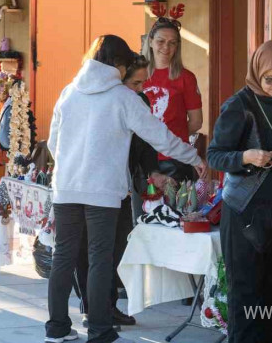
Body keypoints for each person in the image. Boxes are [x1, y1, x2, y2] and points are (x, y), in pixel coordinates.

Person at [46, 35, 206, 343]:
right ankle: (100, 330)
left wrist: (71, 169)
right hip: (103, 192)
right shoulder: (123, 97)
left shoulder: (68, 92)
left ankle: (56, 330)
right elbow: (159, 136)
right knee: (100, 259)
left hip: (65, 188)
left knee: (63, 257)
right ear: (118, 65)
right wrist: (192, 156)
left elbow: (55, 142)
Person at [206, 40, 272, 343]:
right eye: (270, 79)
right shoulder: (239, 105)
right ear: (257, 72)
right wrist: (245, 157)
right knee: (246, 292)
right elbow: (214, 155)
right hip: (245, 211)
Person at [73, 55, 165, 331]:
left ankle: (108, 305)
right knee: (88, 250)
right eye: (136, 82)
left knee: (117, 248)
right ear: (118, 78)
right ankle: (92, 308)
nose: (140, 89)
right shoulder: (93, 98)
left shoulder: (140, 101)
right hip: (88, 184)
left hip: (122, 185)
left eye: (143, 83)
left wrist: (153, 171)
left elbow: (147, 141)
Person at [142, 18, 203, 181]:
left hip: (175, 159)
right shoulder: (137, 76)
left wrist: (172, 139)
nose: (166, 47)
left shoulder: (186, 78)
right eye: (161, 41)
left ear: (177, 46)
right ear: (150, 42)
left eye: (172, 43)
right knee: (141, 207)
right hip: (141, 158)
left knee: (175, 206)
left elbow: (196, 122)